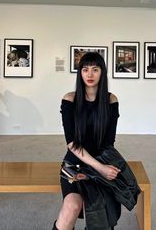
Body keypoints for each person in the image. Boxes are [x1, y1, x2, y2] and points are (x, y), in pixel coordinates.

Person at [53, 52, 121, 230]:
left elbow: (108, 143)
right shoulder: (70, 99)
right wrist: (102, 169)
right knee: (72, 206)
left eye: (95, 69)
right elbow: (72, 144)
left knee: (101, 213)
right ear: (80, 73)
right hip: (74, 165)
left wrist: (102, 169)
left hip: (100, 163)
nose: (90, 74)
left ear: (102, 73)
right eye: (85, 69)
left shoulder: (110, 100)